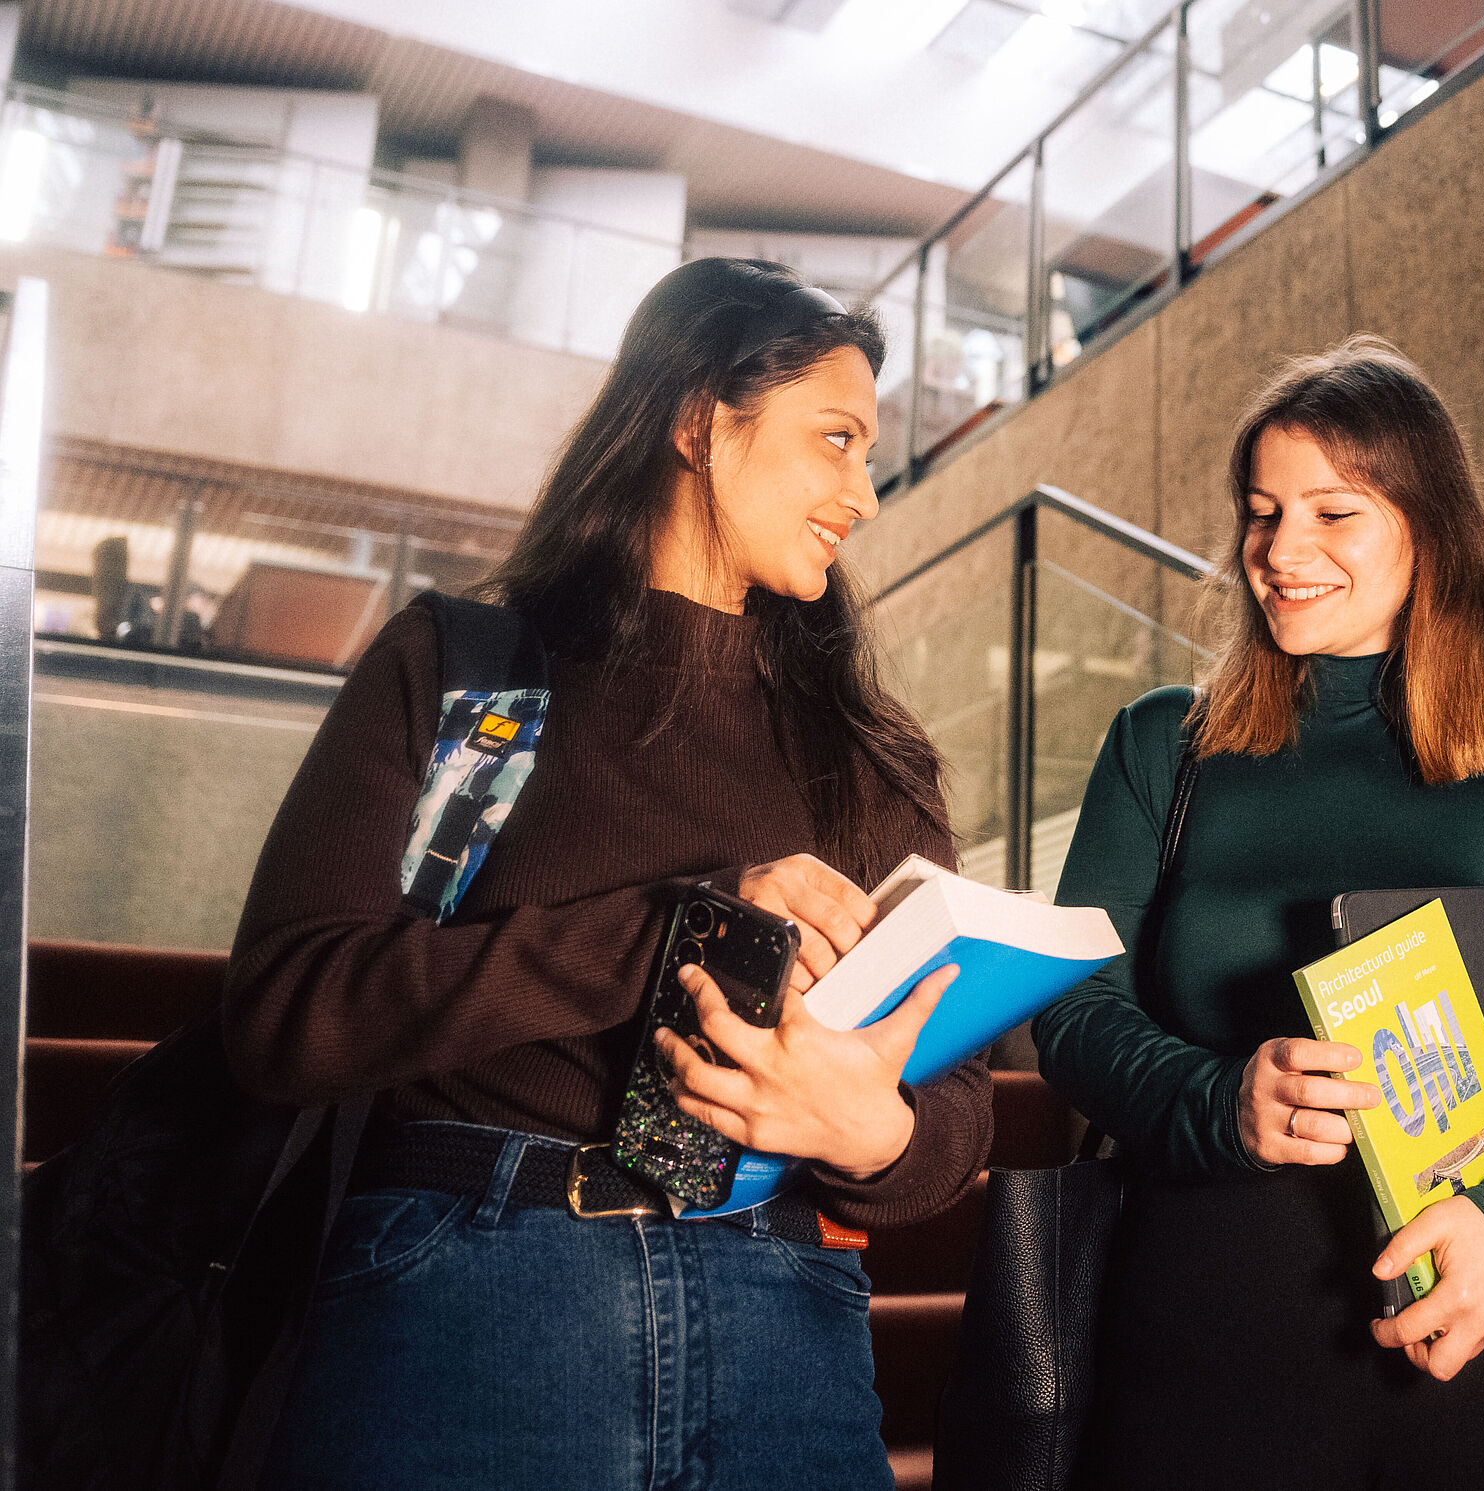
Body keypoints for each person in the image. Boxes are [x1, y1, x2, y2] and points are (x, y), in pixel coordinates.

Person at [223, 257, 991, 1490]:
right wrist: (676, 932)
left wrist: (878, 1130)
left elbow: (958, 1104)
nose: (866, 492)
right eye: (835, 439)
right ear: (698, 422)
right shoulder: (468, 671)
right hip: (471, 1289)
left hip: (787, 1321)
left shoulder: (868, 754)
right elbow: (287, 1014)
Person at [1031, 337, 1484, 1490]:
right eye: (1260, 513)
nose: (1280, 552)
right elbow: (1073, 1009)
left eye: (1333, 513)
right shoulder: (1164, 749)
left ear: (1429, 528)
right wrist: (1216, 1099)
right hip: (1206, 1340)